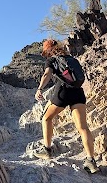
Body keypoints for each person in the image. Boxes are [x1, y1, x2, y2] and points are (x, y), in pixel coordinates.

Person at [34, 39, 98, 173]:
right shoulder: (71, 59)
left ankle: (47, 150)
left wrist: (40, 89)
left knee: (46, 118)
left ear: (48, 51)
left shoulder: (52, 60)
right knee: (82, 127)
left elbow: (47, 74)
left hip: (63, 91)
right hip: (78, 93)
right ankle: (91, 161)